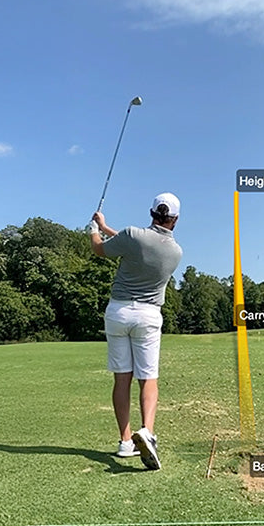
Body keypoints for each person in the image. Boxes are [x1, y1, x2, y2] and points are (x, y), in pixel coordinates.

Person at [89, 193, 183, 469]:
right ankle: (148, 433)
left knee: (122, 379)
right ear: (175, 219)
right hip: (148, 316)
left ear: (152, 212)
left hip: (118, 313)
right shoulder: (175, 252)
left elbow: (101, 249)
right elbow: (138, 247)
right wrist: (106, 228)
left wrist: (94, 230)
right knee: (148, 378)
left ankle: (125, 441)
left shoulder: (132, 235)